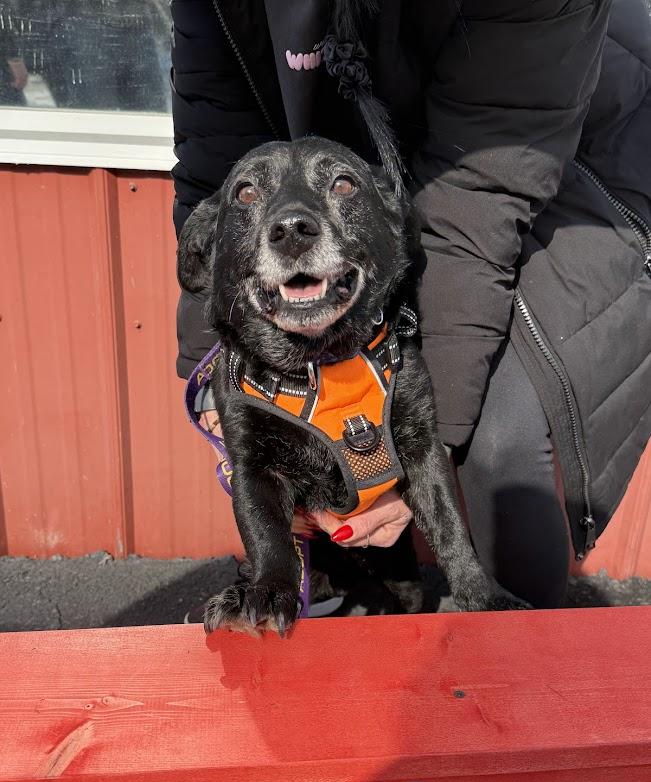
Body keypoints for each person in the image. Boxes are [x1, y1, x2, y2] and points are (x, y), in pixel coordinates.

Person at [171, 0, 651, 609]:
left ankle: (518, 655)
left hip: (567, 161)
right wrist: (209, 368)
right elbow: (214, 160)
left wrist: (415, 449)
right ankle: (329, 609)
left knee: (501, 433)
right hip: (354, 176)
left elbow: (479, 200)